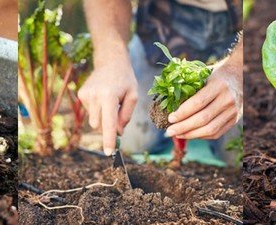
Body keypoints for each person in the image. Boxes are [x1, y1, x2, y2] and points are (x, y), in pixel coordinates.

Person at [78, 0, 243, 162]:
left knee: (236, 155)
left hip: (240, 25)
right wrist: (110, 58)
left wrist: (236, 69)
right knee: (134, 140)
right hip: (164, 18)